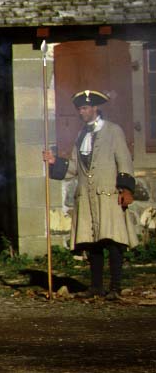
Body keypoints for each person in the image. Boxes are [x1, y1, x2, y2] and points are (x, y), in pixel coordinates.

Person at [42, 89, 138, 300]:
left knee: (114, 242)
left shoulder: (113, 131)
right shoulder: (81, 135)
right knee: (92, 243)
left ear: (95, 108)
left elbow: (124, 160)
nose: (81, 112)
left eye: (84, 108)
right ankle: (96, 287)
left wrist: (126, 189)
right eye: (79, 109)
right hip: (86, 197)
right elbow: (75, 168)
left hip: (109, 195)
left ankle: (115, 287)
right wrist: (55, 162)